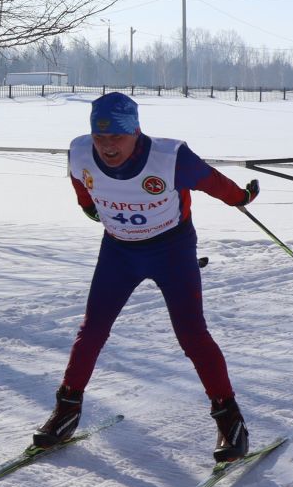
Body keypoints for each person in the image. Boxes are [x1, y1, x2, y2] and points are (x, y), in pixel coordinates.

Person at [37, 91, 259, 463]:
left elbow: (216, 183)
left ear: (136, 132)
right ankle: (66, 411)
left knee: (192, 335)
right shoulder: (78, 151)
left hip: (171, 251)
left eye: (117, 137)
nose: (107, 146)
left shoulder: (170, 157)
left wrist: (241, 197)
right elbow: (81, 185)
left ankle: (230, 421)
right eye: (100, 136)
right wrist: (90, 208)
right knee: (92, 330)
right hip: (119, 252)